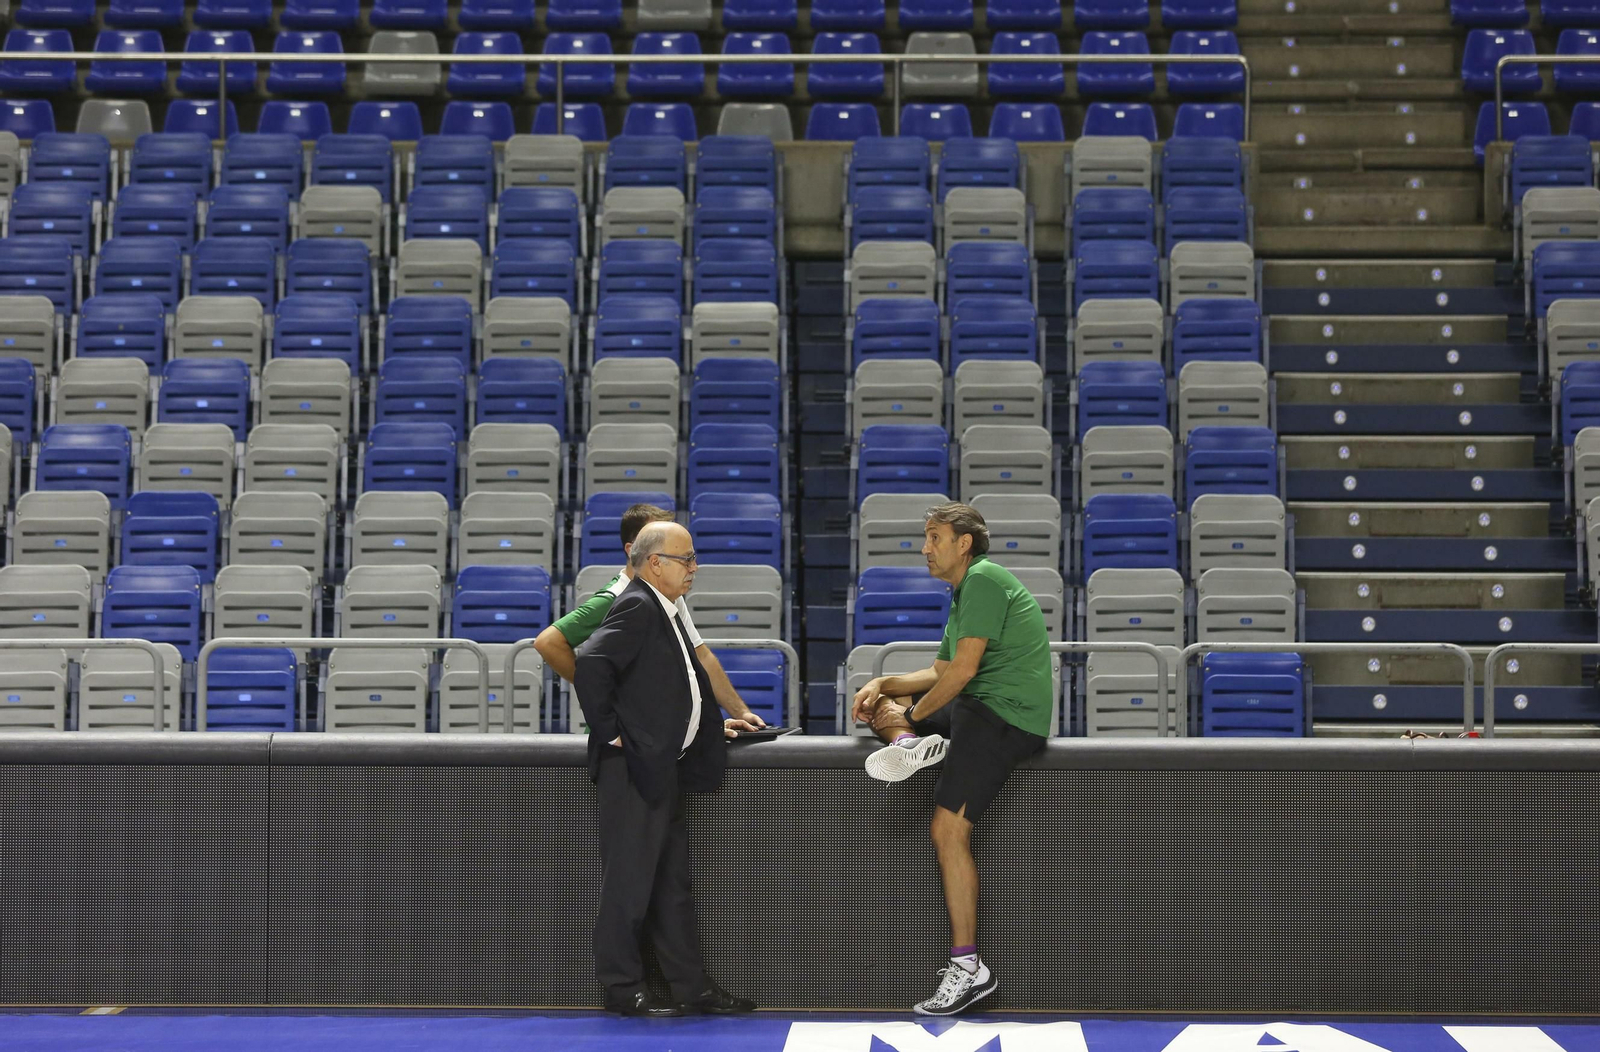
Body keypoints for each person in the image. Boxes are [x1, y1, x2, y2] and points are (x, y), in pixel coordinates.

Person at [850, 501, 1053, 1017]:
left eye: (934, 537)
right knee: (881, 707)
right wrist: (882, 683)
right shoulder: (965, 591)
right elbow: (940, 667)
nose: (925, 548)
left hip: (1003, 716)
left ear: (963, 543)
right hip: (972, 706)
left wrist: (914, 711)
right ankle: (905, 747)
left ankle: (968, 968)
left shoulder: (983, 579)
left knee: (947, 830)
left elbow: (961, 674)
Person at [574, 521, 758, 1018]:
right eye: (687, 559)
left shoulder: (666, 607)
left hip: (662, 767)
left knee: (671, 886)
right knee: (630, 885)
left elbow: (665, 688)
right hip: (633, 769)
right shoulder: (637, 603)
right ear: (655, 563)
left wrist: (700, 728)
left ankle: (690, 987)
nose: (694, 568)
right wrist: (613, 733)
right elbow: (590, 663)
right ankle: (622, 989)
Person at [533, 502, 769, 737]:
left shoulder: (670, 594)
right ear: (633, 549)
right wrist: (605, 692)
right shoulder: (614, 598)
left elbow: (701, 656)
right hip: (624, 741)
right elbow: (548, 642)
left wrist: (740, 712)